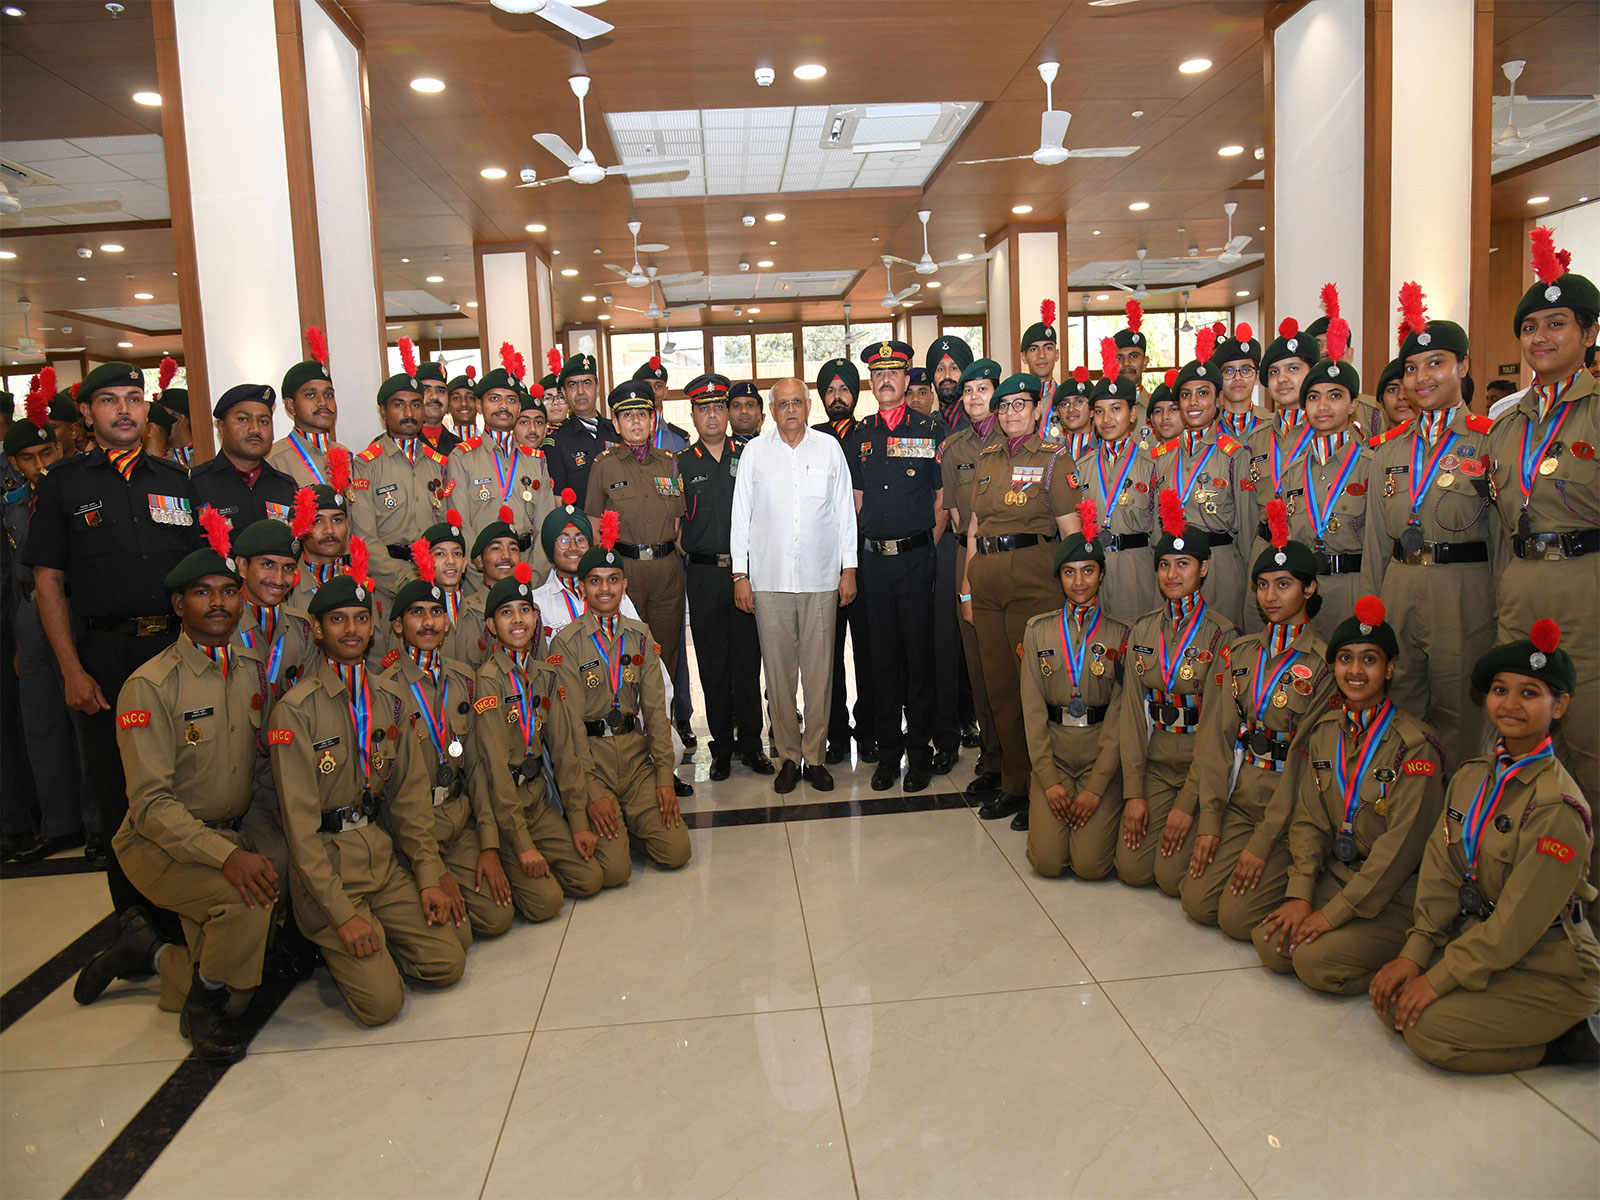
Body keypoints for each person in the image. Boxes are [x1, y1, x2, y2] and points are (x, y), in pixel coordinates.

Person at [83, 523, 287, 1060]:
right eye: (202, 592)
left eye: (226, 591)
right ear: (178, 604)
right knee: (248, 907)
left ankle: (147, 953)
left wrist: (261, 842)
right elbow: (150, 806)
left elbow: (261, 768)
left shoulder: (249, 671)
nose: (218, 602)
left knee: (262, 924)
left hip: (230, 832)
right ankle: (204, 1006)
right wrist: (228, 858)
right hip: (158, 844)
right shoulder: (149, 686)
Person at [1370, 621, 1599, 1072]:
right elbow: (1441, 873)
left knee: (1427, 1030)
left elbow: (1517, 923)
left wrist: (1438, 979)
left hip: (1549, 962)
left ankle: (1572, 1042)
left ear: (1560, 705)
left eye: (1530, 693)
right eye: (1500, 690)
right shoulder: (1475, 776)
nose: (1511, 704)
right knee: (1397, 993)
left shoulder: (1556, 807)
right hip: (1481, 936)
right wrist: (1417, 952)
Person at [24, 362, 198, 923]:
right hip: (106, 655)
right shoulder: (64, 485)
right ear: (88, 413)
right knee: (121, 790)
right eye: (109, 401)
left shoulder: (175, 481)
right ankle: (135, 920)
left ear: (147, 409)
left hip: (175, 650)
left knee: (189, 778)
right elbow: (48, 582)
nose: (124, 409)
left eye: (133, 399)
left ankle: (191, 909)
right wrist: (72, 669)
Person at [268, 542, 466, 1026]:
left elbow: (408, 800)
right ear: (317, 630)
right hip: (330, 871)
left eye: (360, 618)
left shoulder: (391, 697)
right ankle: (338, 942)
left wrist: (426, 876)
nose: (352, 629)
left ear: (373, 627)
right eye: (338, 620)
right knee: (382, 1006)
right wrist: (342, 913)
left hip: (379, 858)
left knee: (450, 959)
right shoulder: (294, 710)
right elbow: (299, 832)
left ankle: (377, 942)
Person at [1486, 228, 1599, 914]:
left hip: (1584, 586)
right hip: (1520, 582)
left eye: (1556, 323)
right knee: (1512, 728)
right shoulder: (1505, 425)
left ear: (1588, 332)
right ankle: (1511, 876)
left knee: (1580, 738)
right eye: (1529, 326)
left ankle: (1580, 897)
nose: (1539, 338)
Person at [1253, 596, 1446, 993]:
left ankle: (1419, 953)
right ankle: (1344, 936)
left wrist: (1332, 915)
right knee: (1271, 945)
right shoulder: (1325, 732)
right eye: (1345, 659)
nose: (1355, 671)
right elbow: (1309, 819)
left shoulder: (1415, 747)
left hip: (1393, 892)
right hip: (1339, 873)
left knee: (1311, 962)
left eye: (1369, 660)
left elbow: (1399, 850)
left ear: (1390, 668)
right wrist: (1302, 892)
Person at [1180, 503, 1333, 938]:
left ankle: (1306, 876)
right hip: (1242, 797)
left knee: (1235, 919)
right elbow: (1216, 740)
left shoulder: (1322, 666)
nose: (1270, 596)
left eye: (1284, 585)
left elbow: (1305, 763)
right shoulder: (1242, 654)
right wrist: (1210, 821)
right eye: (1263, 585)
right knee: (1196, 902)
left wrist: (1265, 842)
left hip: (1291, 811)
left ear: (1308, 589)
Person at [1362, 285, 1495, 771]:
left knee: (1461, 710)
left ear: (1462, 366)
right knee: (1399, 705)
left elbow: (1502, 539)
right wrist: (1371, 615)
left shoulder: (1488, 441)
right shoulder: (1389, 449)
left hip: (1461, 593)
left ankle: (1456, 814)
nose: (1422, 377)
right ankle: (1403, 805)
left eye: (1435, 363)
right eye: (1411, 369)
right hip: (1400, 587)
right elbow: (1376, 539)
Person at [379, 552, 530, 940]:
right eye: (417, 613)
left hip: (457, 819)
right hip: (410, 832)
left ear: (447, 623)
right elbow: (393, 794)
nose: (428, 622)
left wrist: (488, 844)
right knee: (456, 940)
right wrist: (431, 871)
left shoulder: (465, 680)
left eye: (436, 612)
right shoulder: (383, 691)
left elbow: (479, 766)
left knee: (498, 919)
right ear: (397, 625)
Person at [960, 371, 1083, 827]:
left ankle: (1041, 787)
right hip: (987, 582)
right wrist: (967, 589)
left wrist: (1076, 592)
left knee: (1033, 686)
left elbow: (1071, 532)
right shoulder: (988, 457)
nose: (1011, 412)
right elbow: (974, 527)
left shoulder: (1054, 459)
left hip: (1033, 581)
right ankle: (1014, 785)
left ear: (1036, 409)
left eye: (1020, 404)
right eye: (1005, 405)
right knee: (1000, 688)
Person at [732, 377, 857, 793]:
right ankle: (788, 756)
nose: (790, 410)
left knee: (820, 674)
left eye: (797, 402)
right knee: (780, 677)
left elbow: (844, 513)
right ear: (771, 409)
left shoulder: (829, 449)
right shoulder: (754, 453)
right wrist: (740, 574)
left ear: (809, 407)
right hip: (769, 581)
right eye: (782, 403)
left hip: (822, 578)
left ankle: (816, 757)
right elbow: (741, 517)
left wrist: (849, 569)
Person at [548, 533, 692, 875]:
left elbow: (657, 713)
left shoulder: (641, 636)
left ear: (624, 585)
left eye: (613, 580)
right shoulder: (565, 644)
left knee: (676, 852)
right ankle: (619, 826)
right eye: (595, 581)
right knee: (614, 872)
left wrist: (662, 777)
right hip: (592, 764)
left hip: (634, 759)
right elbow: (567, 732)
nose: (605, 589)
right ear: (582, 587)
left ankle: (634, 825)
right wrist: (589, 794)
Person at [1116, 491, 1236, 894]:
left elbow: (1219, 731)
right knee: (1132, 869)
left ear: (1203, 569)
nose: (1172, 574)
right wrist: (1134, 792)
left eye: (1183, 564)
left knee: (1169, 881)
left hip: (1198, 768)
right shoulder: (1142, 630)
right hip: (1155, 762)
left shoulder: (1222, 635)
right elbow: (1132, 716)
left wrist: (1188, 804)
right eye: (1165, 565)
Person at [3, 378, 99, 863]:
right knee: (40, 719)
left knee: (85, 715)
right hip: (28, 613)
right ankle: (59, 823)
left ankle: (97, 823)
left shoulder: (75, 492)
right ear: (14, 464)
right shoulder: (13, 508)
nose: (39, 465)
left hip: (71, 605)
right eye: (27, 458)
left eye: (46, 453)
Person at [473, 561, 606, 900]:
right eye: (506, 613)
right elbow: (496, 771)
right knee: (546, 903)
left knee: (590, 878)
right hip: (505, 807)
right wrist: (521, 844)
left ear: (536, 618)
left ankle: (534, 867)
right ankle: (515, 864)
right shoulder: (488, 680)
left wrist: (577, 820)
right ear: (491, 625)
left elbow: (564, 751)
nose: (518, 620)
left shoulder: (544, 675)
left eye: (525, 610)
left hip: (536, 799)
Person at [851, 341, 948, 793]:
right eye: (879, 373)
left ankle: (919, 753)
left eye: (895, 372)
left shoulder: (930, 430)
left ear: (908, 381)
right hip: (873, 564)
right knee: (882, 661)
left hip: (915, 561)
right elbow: (856, 503)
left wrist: (925, 547)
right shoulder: (860, 434)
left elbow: (941, 499)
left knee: (919, 661)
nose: (886, 379)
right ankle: (888, 755)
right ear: (871, 383)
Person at [1021, 506, 1129, 881]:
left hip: (1100, 756)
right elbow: (1032, 711)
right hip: (1056, 754)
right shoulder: (1038, 631)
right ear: (1059, 577)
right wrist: (1048, 779)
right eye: (1069, 572)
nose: (1079, 581)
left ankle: (1098, 813)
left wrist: (1097, 787)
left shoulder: (1121, 635)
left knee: (1090, 866)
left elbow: (1121, 716)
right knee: (1048, 864)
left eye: (1088, 571)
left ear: (1100, 575)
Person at [678, 374, 773, 780]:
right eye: (704, 409)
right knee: (713, 665)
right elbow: (676, 526)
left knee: (747, 661)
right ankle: (721, 747)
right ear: (694, 416)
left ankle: (752, 744)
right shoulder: (680, 463)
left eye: (719, 407)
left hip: (744, 574)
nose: (713, 415)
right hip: (702, 575)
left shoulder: (750, 455)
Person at [584, 380, 686, 684]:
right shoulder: (604, 466)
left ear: (652, 419)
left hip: (667, 571)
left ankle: (664, 725)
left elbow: (677, 520)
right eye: (627, 416)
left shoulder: (669, 464)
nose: (636, 422)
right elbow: (592, 521)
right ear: (616, 423)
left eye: (642, 414)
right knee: (625, 651)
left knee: (667, 651)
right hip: (624, 570)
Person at [1149, 329, 1250, 630]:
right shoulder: (1160, 456)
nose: (1194, 402)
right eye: (1186, 394)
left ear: (1219, 399)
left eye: (1203, 393)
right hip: (1172, 569)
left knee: (1223, 648)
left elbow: (1246, 529)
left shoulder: (1234, 455)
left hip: (1219, 567)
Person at [1287, 314, 1378, 638]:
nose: (1322, 406)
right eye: (1313, 397)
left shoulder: (1371, 466)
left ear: (1353, 403)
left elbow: (1378, 546)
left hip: (1352, 590)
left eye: (1335, 396)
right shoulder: (1293, 472)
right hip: (1301, 595)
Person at [940, 359, 1005, 800]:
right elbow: (957, 515)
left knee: (1013, 666)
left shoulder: (1020, 443)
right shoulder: (954, 449)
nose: (975, 397)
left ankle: (1020, 761)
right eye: (969, 390)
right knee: (979, 665)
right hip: (970, 558)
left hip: (1013, 557)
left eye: (983, 389)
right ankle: (993, 757)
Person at [1240, 318, 1323, 632]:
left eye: (1293, 368)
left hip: (1310, 548)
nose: (1283, 379)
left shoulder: (1329, 433)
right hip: (1265, 551)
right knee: (1259, 636)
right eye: (1274, 372)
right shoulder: (1256, 437)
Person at [812, 359, 875, 765]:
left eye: (844, 390)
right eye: (830, 391)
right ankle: (834, 734)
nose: (838, 397)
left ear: (855, 394)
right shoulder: (812, 438)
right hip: (820, 564)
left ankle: (868, 731)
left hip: (866, 562)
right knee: (826, 657)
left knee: (869, 652)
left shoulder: (870, 434)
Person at [445, 346, 554, 581]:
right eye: (495, 399)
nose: (504, 406)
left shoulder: (537, 461)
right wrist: (483, 576)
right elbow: (460, 525)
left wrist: (533, 576)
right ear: (479, 405)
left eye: (511, 400)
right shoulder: (461, 457)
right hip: (480, 577)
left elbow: (546, 526)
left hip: (528, 572)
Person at [348, 366, 452, 608]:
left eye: (416, 404)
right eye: (399, 405)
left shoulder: (440, 465)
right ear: (383, 411)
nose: (409, 412)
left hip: (434, 582)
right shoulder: (365, 465)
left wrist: (435, 576)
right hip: (387, 587)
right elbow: (363, 538)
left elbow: (446, 526)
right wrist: (403, 581)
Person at [1085, 342, 1158, 624]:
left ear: (1133, 414)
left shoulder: (1151, 466)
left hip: (1137, 571)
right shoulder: (1081, 469)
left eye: (1116, 409)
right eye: (1100, 411)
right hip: (1095, 572)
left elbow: (1161, 533)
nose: (1107, 419)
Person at [229, 514, 318, 703]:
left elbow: (308, 700)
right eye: (267, 564)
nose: (278, 579)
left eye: (288, 568)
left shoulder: (301, 628)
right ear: (243, 567)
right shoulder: (221, 625)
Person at [189, 384, 297, 529]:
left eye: (263, 421)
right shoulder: (196, 484)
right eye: (243, 419)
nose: (255, 429)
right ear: (221, 427)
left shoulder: (286, 487)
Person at [268, 327, 345, 489]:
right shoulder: (275, 462)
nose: (323, 402)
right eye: (310, 395)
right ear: (291, 405)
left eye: (328, 395)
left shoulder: (346, 455)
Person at [546, 352, 611, 502]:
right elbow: (558, 501)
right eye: (573, 385)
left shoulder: (617, 432)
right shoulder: (556, 440)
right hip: (580, 524)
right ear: (564, 393)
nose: (581, 391)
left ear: (598, 388)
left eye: (587, 383)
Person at [289, 456, 352, 610]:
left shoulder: (358, 582)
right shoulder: (286, 585)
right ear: (301, 528)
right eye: (317, 521)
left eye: (337, 520)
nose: (329, 530)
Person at [1214, 323, 1267, 441]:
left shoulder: (1273, 424)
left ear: (1257, 376)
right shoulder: (1207, 426)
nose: (1237, 377)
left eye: (1246, 370)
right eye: (1228, 371)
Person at [410, 344, 457, 457]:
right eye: (426, 389)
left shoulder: (458, 446)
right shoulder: (398, 444)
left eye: (441, 391)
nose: (434, 396)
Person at [1019, 300, 1061, 419]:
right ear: (1024, 357)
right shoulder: (1014, 401)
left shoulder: (1066, 401)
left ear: (1057, 354)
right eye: (1034, 349)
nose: (1041, 355)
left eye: (1048, 348)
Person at [1374, 356, 1414, 431]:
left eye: (1408, 389)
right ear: (1382, 400)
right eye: (1393, 389)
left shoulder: (1439, 441)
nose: (1401, 396)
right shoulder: (1374, 442)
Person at [445, 367, 480, 442]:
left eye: (470, 397)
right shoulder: (440, 447)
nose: (464, 403)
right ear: (447, 407)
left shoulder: (492, 444)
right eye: (456, 398)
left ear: (479, 405)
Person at [728, 380, 765, 446]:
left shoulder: (773, 448)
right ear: (728, 414)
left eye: (750, 405)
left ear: (760, 415)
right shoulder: (720, 450)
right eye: (736, 406)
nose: (744, 411)